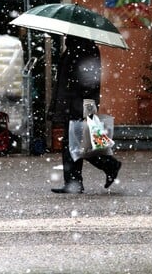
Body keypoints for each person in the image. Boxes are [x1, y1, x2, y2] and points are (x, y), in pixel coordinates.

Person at [48, 35, 122, 194]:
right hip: (71, 103)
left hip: (78, 104)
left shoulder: (86, 49)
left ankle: (108, 165)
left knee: (80, 144)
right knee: (73, 144)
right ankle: (74, 182)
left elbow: (89, 80)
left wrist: (87, 105)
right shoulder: (74, 47)